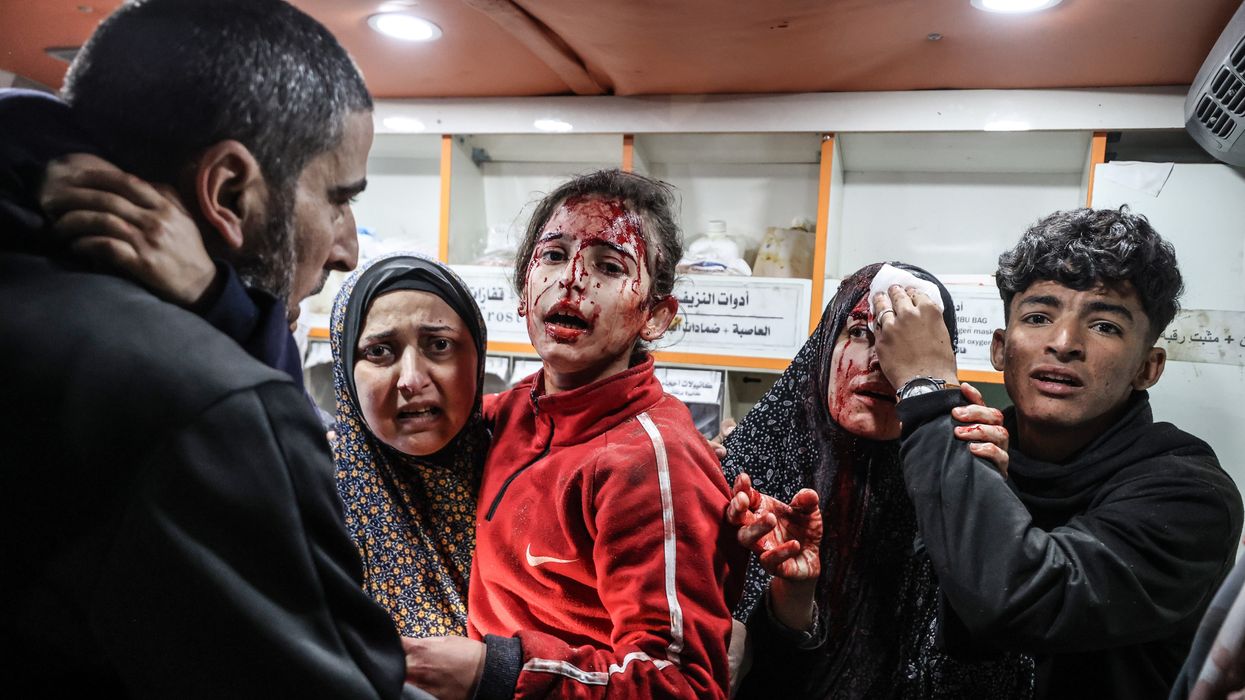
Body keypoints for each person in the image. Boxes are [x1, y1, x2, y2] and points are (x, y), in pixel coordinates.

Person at [0, 0, 431, 696]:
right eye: (337, 198)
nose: (349, 249)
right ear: (228, 191)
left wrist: (227, 310)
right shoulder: (208, 407)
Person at [867, 207, 1244, 699]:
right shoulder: (971, 446)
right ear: (1001, 349)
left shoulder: (1190, 494)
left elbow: (1021, 599)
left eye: (1105, 326)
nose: (1064, 344)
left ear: (1147, 369)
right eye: (1039, 317)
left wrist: (927, 390)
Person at [405, 169, 747, 699]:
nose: (571, 280)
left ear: (655, 317)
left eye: (609, 266)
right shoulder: (517, 408)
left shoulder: (654, 463)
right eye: (554, 255)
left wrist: (493, 672)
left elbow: (683, 686)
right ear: (524, 292)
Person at [722, 262, 1032, 699]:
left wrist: (980, 502)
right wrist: (792, 596)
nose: (879, 362)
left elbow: (988, 669)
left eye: (903, 346)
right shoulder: (747, 470)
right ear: (825, 347)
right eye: (862, 333)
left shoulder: (960, 474)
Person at [331, 252, 489, 638]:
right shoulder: (311, 504)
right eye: (379, 352)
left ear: (478, 354)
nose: (412, 379)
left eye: (439, 345)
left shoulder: (531, 479)